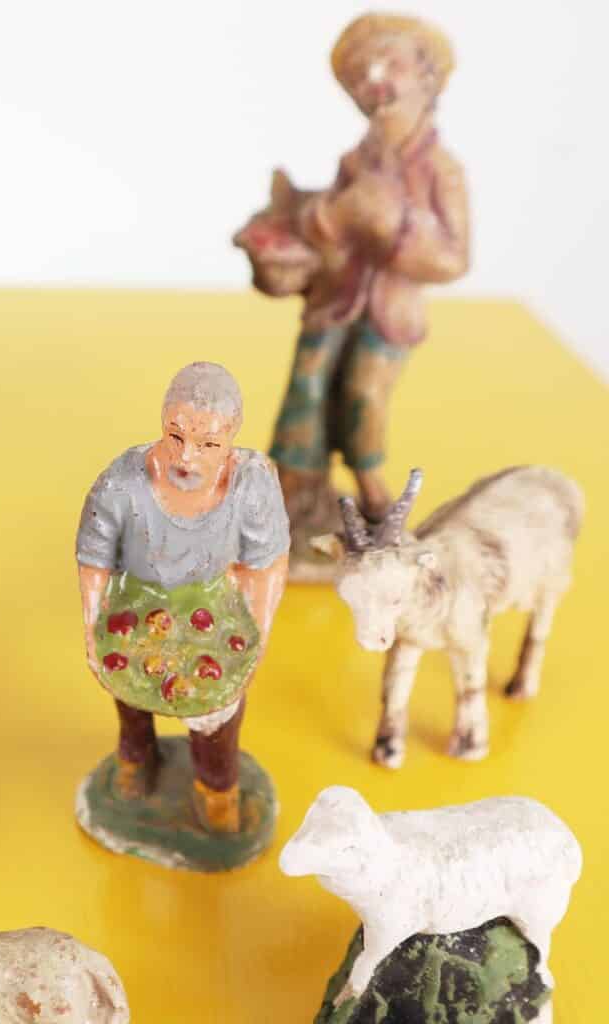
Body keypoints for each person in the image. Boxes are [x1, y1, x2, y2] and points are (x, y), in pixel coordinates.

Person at [236, 13, 469, 576]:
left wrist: (391, 226)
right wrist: (299, 220)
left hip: (388, 312)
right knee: (308, 388)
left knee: (364, 393)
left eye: (391, 64)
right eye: (361, 76)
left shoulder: (440, 170)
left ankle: (374, 495)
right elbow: (331, 222)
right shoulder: (357, 161)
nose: (375, 81)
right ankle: (293, 496)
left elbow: (453, 257)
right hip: (334, 300)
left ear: (427, 75)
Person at [76, 363, 289, 833]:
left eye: (208, 444)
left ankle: (217, 787)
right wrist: (92, 627)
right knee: (131, 694)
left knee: (216, 713)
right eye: (175, 436)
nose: (186, 456)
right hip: (135, 608)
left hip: (214, 611)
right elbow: (94, 559)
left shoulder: (252, 484)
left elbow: (265, 565)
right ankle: (136, 758)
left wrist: (257, 632)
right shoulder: (121, 483)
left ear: (231, 437)